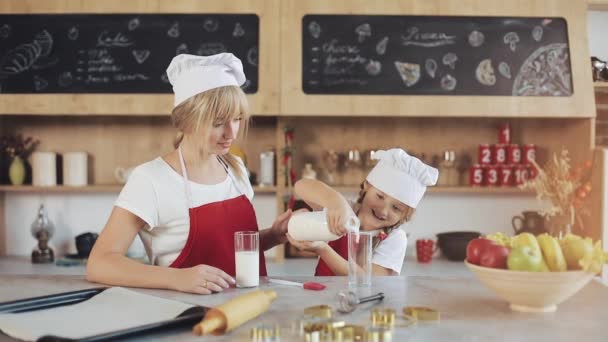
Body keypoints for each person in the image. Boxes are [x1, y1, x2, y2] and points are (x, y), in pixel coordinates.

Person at [87, 53, 293, 294]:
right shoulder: (151, 179)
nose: (231, 133)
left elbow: (226, 247)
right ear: (185, 123)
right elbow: (99, 263)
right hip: (184, 315)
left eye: (237, 119)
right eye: (218, 122)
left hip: (246, 307)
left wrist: (273, 236)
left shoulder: (235, 168)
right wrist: (175, 278)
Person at [287, 148, 438, 276]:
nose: (384, 210)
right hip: (324, 300)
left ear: (405, 215)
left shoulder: (394, 239)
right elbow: (301, 186)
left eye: (396, 208)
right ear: (367, 185)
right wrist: (335, 201)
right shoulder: (343, 211)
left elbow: (368, 280)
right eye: (380, 196)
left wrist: (322, 249)